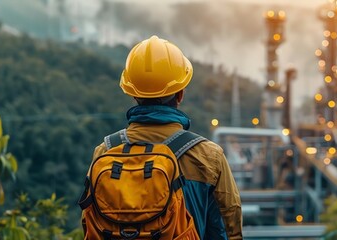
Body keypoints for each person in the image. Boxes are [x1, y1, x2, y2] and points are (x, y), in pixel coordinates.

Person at [89, 35, 242, 239]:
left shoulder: (104, 151)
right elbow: (228, 228)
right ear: (180, 95)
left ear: (133, 94)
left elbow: (91, 223)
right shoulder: (208, 157)